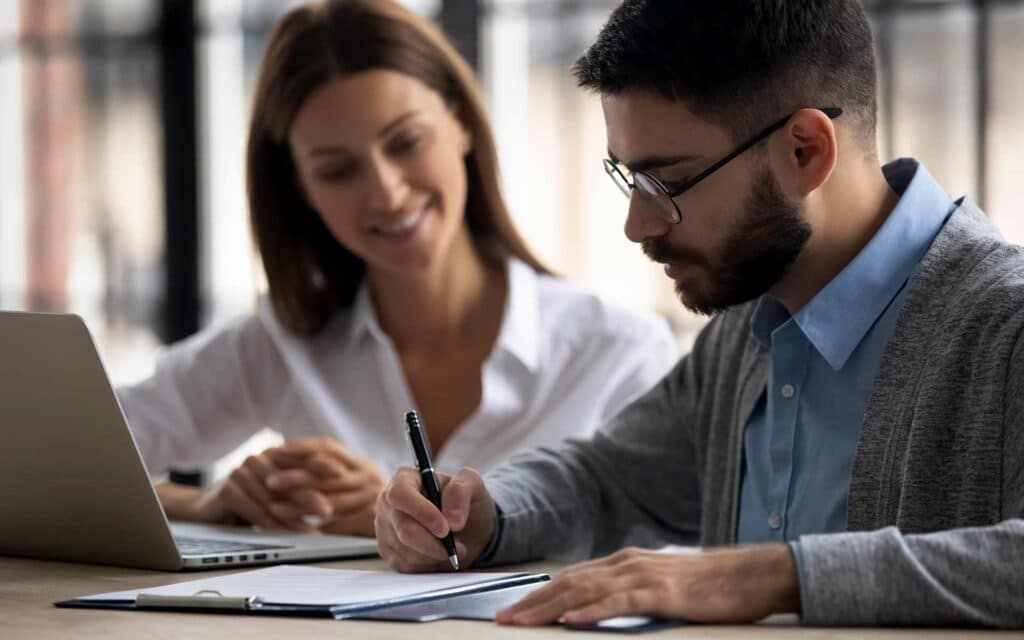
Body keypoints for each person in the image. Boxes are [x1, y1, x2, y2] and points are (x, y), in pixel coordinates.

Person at [374, 0, 1024, 628]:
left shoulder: (1006, 324)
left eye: (670, 183)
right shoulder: (746, 329)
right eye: (629, 179)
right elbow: (608, 480)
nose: (637, 224)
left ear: (805, 150)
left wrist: (769, 576)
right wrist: (483, 513)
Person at [117, 0, 676, 539]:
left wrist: (392, 514)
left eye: (406, 142)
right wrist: (210, 507)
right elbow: (54, 464)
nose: (386, 191)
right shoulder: (280, 344)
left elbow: (658, 564)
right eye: (337, 171)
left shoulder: (616, 352)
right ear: (300, 189)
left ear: (460, 122)